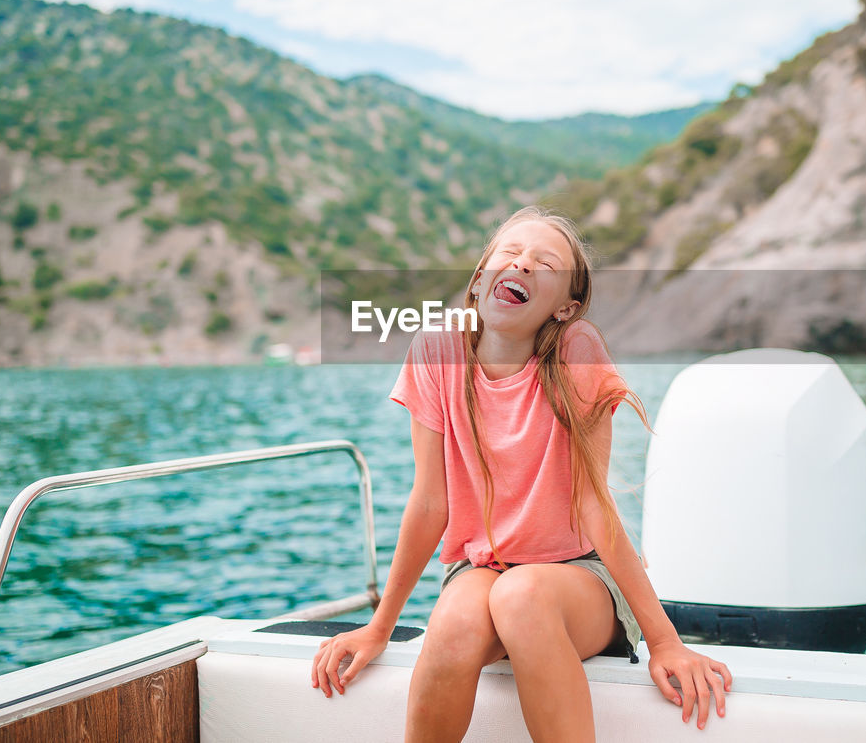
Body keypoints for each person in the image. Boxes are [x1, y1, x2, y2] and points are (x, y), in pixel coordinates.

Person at [310, 205, 732, 740]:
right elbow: (429, 502)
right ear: (481, 276)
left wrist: (664, 640)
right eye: (509, 252)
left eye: (545, 264)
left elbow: (593, 508)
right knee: (456, 621)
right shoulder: (436, 351)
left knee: (522, 596)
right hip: (481, 568)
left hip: (580, 576)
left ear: (565, 308)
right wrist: (379, 627)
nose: (524, 264)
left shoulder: (578, 352)